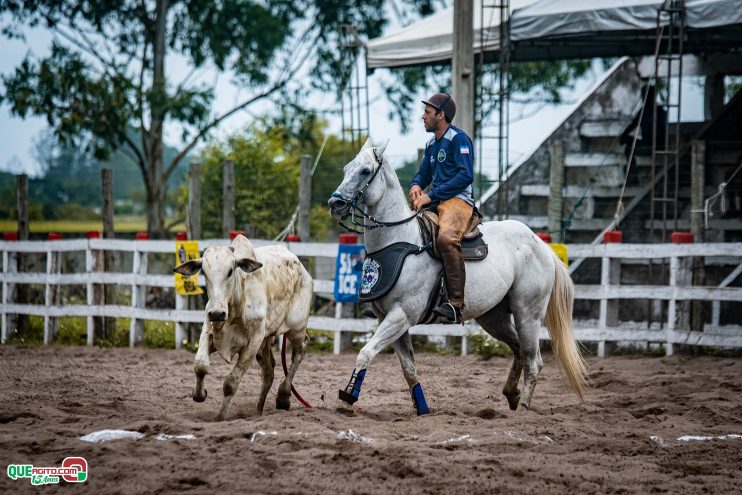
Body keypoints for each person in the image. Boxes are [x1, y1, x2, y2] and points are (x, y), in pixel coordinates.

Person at [409, 93, 475, 323]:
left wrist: (431, 196)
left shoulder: (459, 139)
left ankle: (456, 304)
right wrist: (416, 184)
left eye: (427, 112)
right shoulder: (431, 144)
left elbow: (465, 175)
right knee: (407, 232)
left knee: (446, 239)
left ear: (441, 115)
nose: (423, 117)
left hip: (458, 201)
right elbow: (423, 173)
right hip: (436, 201)